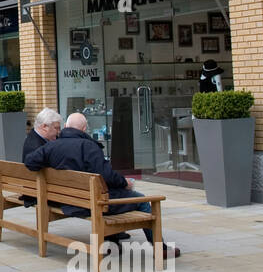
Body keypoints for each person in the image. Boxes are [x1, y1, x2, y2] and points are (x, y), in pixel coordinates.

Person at [43, 112, 180, 257]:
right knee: (143, 201)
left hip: (69, 201)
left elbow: (31, 161)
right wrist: (124, 182)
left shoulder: (51, 146)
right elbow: (106, 175)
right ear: (84, 129)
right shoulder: (88, 146)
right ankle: (161, 249)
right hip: (90, 203)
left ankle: (112, 243)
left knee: (111, 195)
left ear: (65, 126)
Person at [21, 107, 61, 207]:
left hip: (36, 188)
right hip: (39, 192)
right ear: (44, 127)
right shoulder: (36, 146)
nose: (59, 132)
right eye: (56, 128)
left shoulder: (34, 137)